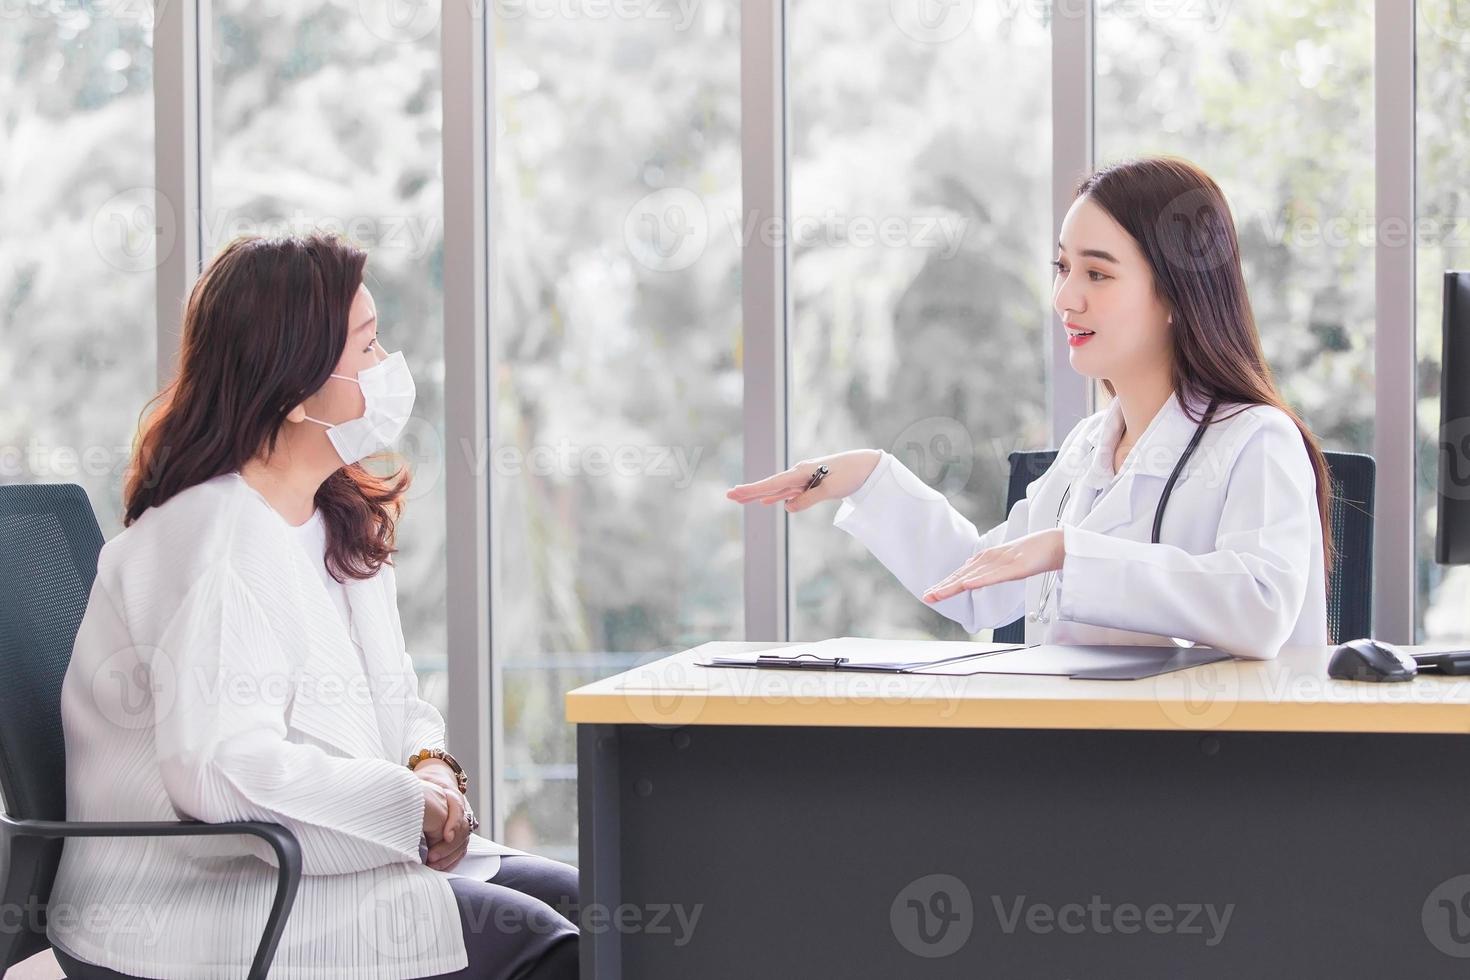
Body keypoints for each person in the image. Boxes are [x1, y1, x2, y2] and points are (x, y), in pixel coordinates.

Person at [47, 233, 579, 979]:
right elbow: (222, 773)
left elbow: (394, 700)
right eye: (366, 349)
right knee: (552, 949)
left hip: (318, 871)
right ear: (296, 389)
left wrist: (429, 769)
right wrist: (410, 809)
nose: (388, 367)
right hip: (198, 907)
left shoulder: (331, 517)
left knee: (599, 902)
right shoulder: (219, 543)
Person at [728, 157, 1332, 661]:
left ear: (1177, 293)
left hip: (1219, 774)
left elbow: (1261, 607)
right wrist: (866, 476)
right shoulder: (1090, 447)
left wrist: (1070, 550)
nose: (1065, 298)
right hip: (1086, 760)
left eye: (1097, 273)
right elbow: (977, 588)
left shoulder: (1256, 440)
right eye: (1064, 268)